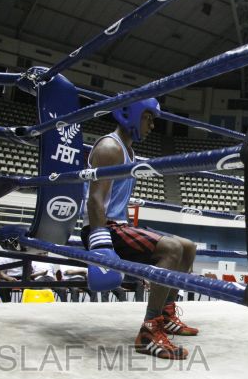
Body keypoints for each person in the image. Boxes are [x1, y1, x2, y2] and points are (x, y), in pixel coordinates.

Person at [80, 98, 198, 360]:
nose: (152, 125)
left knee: (188, 247)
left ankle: (166, 315)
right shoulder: (110, 147)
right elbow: (95, 200)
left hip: (118, 226)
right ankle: (149, 332)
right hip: (103, 229)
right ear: (130, 114)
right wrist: (101, 246)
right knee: (172, 249)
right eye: (148, 118)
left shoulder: (129, 151)